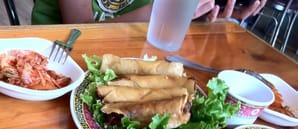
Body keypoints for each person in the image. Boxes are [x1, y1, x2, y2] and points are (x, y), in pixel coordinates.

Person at [32, 0, 267, 25]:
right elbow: (79, 27)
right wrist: (161, 12)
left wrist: (217, 12)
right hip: (61, 53)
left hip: (129, 54)